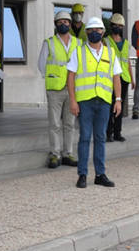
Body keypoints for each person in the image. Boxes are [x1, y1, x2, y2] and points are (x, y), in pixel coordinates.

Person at [68, 17, 121, 188]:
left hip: (104, 101)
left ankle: (100, 174)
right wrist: (73, 101)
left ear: (103, 32)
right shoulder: (78, 51)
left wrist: (118, 100)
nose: (95, 33)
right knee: (84, 138)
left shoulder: (110, 53)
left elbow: (116, 78)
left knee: (100, 138)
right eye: (91, 30)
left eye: (98, 30)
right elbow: (71, 77)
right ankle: (82, 174)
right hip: (85, 101)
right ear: (86, 33)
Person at [36, 11, 80, 168]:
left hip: (72, 89)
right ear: (56, 24)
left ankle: (68, 153)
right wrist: (53, 77)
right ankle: (55, 154)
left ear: (70, 24)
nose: (64, 24)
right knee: (54, 123)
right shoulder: (49, 42)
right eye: (60, 22)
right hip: (55, 89)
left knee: (70, 123)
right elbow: (41, 65)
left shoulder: (77, 43)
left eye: (66, 22)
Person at [105, 13, 132, 143]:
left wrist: (132, 79)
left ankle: (117, 132)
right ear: (111, 26)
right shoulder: (106, 41)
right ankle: (108, 133)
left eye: (120, 26)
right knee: (110, 106)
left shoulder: (126, 43)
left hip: (124, 78)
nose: (117, 27)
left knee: (120, 106)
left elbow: (127, 62)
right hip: (111, 77)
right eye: (115, 25)